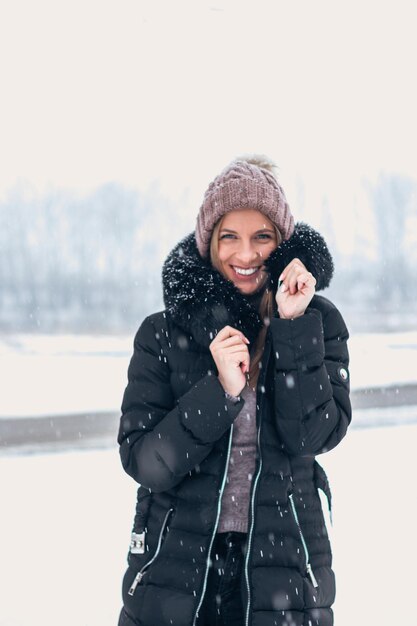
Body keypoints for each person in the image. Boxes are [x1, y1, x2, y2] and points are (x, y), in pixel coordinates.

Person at [117, 155, 351, 626]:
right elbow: (144, 461)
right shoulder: (163, 334)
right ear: (209, 243)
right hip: (174, 573)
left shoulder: (316, 322)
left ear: (283, 245)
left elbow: (314, 437)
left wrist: (292, 326)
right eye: (230, 237)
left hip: (285, 570)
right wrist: (220, 391)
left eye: (261, 237)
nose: (245, 255)